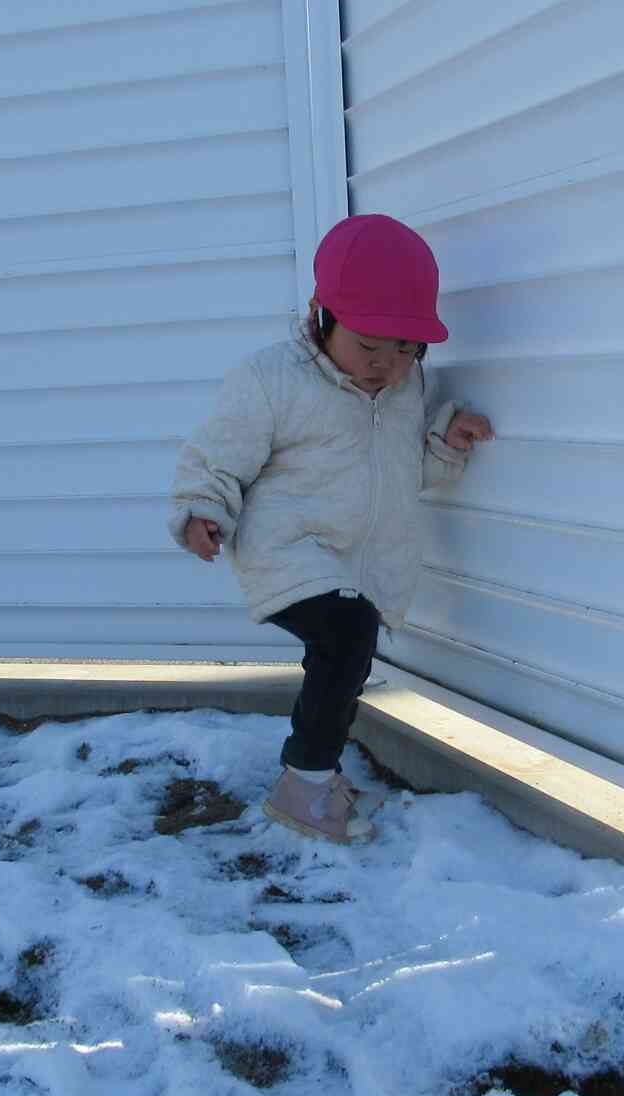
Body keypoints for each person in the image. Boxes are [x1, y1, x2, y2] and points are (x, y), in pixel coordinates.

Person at [169, 214, 493, 845]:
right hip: (285, 545)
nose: (386, 365)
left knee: (348, 652)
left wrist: (447, 442)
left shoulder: (404, 389)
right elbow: (219, 452)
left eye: (406, 349)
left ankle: (316, 774)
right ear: (322, 314)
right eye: (370, 345)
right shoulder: (272, 379)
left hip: (354, 562)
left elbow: (402, 473)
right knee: (347, 636)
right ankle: (304, 786)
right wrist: (202, 509)